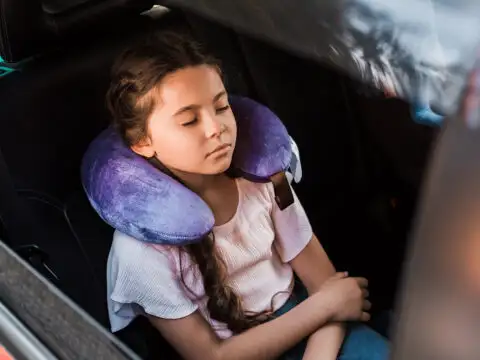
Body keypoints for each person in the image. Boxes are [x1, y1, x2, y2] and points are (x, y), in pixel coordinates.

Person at [105, 31, 389, 360]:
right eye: (189, 120)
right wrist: (325, 307)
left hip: (318, 330)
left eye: (222, 106)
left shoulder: (264, 177)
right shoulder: (140, 252)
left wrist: (322, 333)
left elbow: (328, 285)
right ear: (141, 141)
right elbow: (213, 357)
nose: (216, 128)